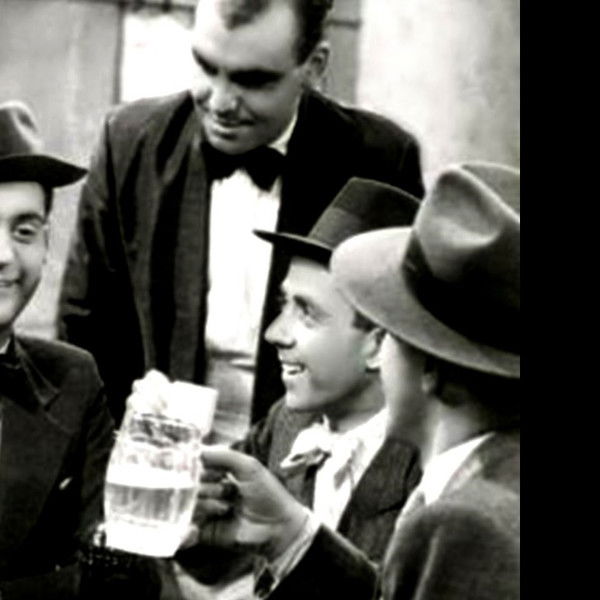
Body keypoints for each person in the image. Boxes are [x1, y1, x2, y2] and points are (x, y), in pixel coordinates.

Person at [58, 0, 425, 440]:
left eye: (253, 81)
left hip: (311, 457)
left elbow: (402, 352)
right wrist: (134, 442)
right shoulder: (129, 144)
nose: (220, 102)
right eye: (206, 66)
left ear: (314, 66)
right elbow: (85, 335)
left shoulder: (380, 160)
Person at [192, 161, 520, 599]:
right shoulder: (489, 478)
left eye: (394, 332)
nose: (275, 333)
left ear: (427, 361)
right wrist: (288, 535)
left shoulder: (470, 523)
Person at [175, 177, 421, 593]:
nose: (274, 333)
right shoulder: (287, 422)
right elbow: (214, 564)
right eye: (282, 304)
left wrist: (290, 536)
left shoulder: (431, 466)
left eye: (306, 312)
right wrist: (189, 512)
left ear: (380, 345)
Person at [0, 101, 115, 598]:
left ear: (47, 244)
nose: (4, 255)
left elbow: (115, 576)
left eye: (24, 231)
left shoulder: (74, 379)